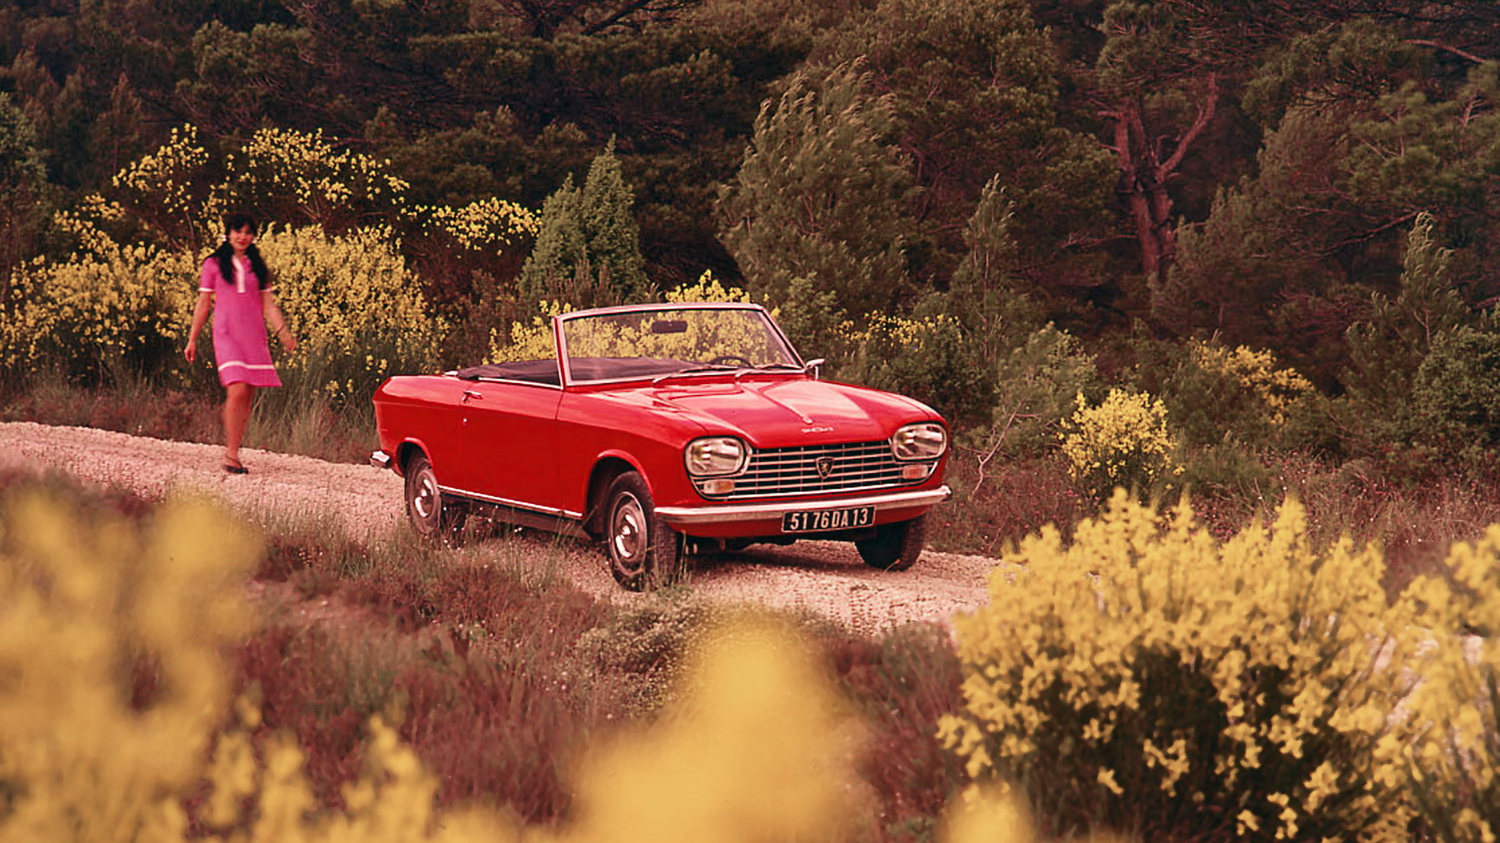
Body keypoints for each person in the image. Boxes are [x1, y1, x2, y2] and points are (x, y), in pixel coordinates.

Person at [185, 213, 296, 474]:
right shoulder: (212, 264)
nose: (243, 237)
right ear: (228, 233)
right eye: (238, 231)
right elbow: (204, 303)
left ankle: (235, 449)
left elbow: (268, 305)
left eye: (248, 232)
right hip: (226, 334)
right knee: (236, 389)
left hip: (254, 336)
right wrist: (192, 339)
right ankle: (230, 454)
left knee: (247, 395)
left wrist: (284, 333)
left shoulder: (258, 266)